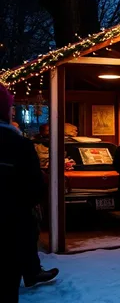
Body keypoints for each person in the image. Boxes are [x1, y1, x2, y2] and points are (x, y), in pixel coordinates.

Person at [0, 84, 58, 302]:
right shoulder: (20, 145)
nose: (13, 112)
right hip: (11, 228)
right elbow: (35, 188)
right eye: (11, 108)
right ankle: (31, 272)